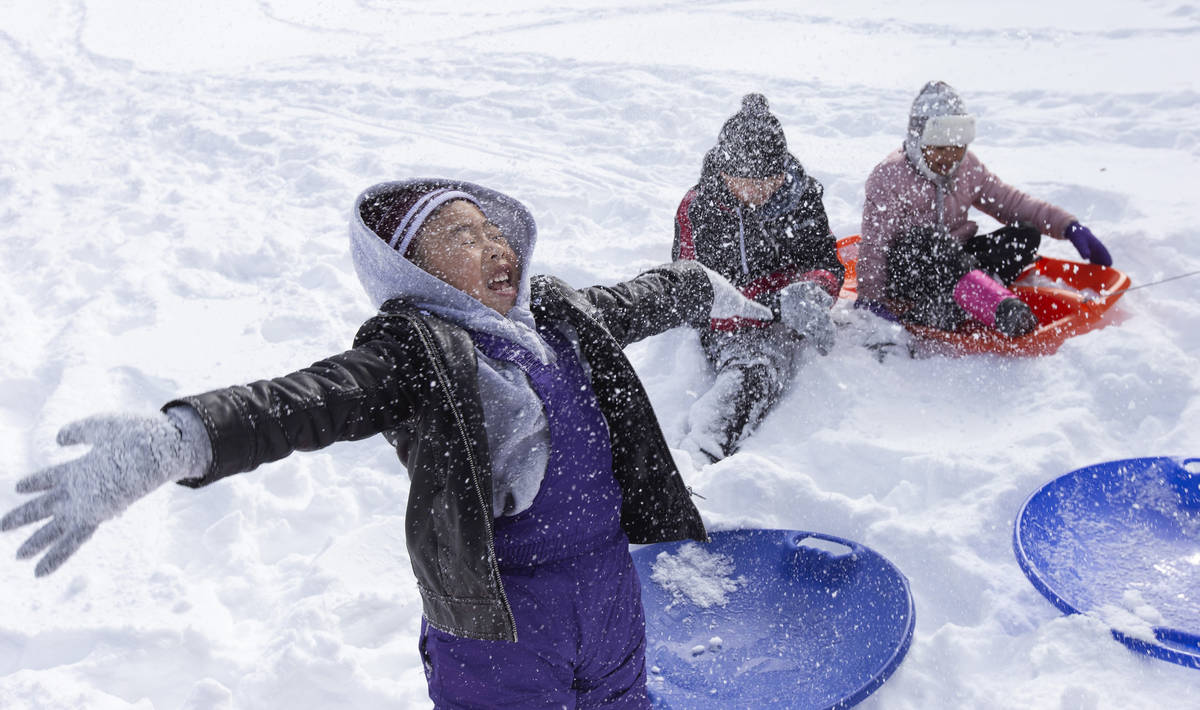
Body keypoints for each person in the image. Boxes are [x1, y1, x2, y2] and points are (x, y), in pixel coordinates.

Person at [1, 178, 773, 708]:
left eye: (493, 229)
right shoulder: (415, 352)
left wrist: (702, 284)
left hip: (607, 586)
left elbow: (639, 298)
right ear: (413, 269)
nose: (494, 245)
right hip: (499, 619)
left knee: (621, 699)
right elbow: (303, 402)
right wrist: (184, 440)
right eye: (461, 237)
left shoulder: (561, 315)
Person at [858, 80, 1114, 337]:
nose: (949, 156)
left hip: (958, 262)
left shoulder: (966, 167)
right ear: (918, 142)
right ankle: (997, 306)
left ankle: (953, 303)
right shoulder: (890, 176)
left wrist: (1068, 226)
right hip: (909, 270)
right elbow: (874, 245)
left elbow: (1013, 203)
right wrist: (872, 300)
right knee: (927, 240)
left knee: (1025, 234)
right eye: (939, 148)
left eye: (957, 147)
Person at [673, 93, 844, 463]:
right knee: (753, 369)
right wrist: (770, 307)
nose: (761, 192)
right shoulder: (698, 208)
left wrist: (813, 291)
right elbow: (690, 292)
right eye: (748, 182)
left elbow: (829, 263)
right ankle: (701, 452)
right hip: (728, 319)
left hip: (785, 310)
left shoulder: (803, 196)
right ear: (725, 172)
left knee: (765, 365)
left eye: (771, 179)